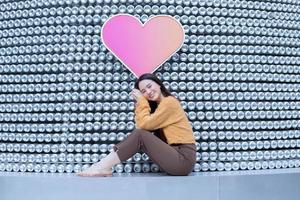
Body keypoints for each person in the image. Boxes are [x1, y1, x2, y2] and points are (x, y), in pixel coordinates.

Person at [77, 73, 196, 177]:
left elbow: (142, 126)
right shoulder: (160, 108)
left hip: (183, 159)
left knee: (140, 135)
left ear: (159, 84)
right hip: (175, 157)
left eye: (149, 86)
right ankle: (102, 166)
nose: (148, 92)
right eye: (143, 91)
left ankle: (102, 166)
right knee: (140, 134)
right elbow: (141, 124)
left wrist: (142, 101)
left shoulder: (169, 102)